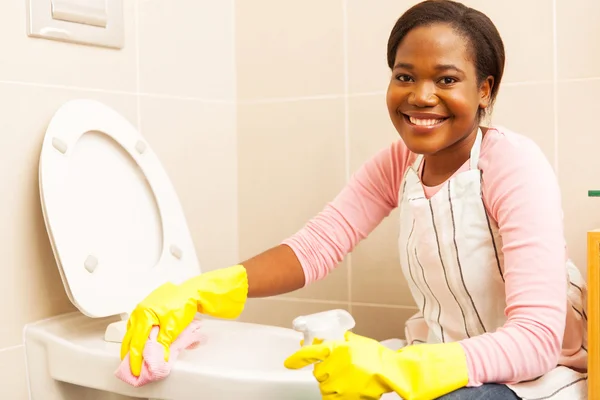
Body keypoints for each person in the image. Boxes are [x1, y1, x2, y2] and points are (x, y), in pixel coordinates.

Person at [119, 0, 588, 399]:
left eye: (446, 80)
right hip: (440, 360)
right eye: (405, 76)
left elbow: (536, 340)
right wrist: (202, 290)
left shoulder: (512, 164)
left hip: (535, 374)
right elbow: (317, 246)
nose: (421, 96)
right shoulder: (398, 162)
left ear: (484, 90)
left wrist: (400, 369)